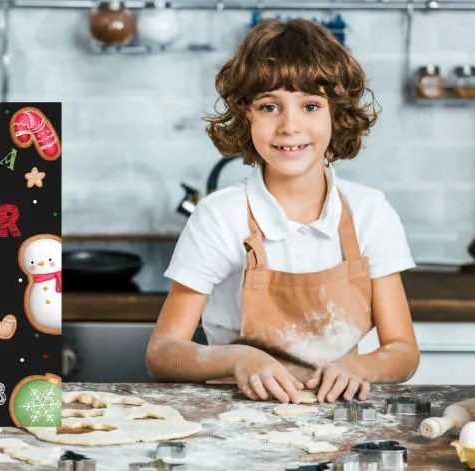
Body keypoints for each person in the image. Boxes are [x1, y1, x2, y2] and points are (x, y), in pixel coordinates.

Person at [146, 18, 420, 405]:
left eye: (310, 105)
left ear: (336, 116)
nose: (290, 126)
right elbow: (162, 353)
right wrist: (237, 358)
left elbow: (403, 350)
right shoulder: (220, 216)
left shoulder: (369, 213)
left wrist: (360, 368)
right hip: (233, 417)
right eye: (269, 106)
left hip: (337, 418)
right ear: (245, 115)